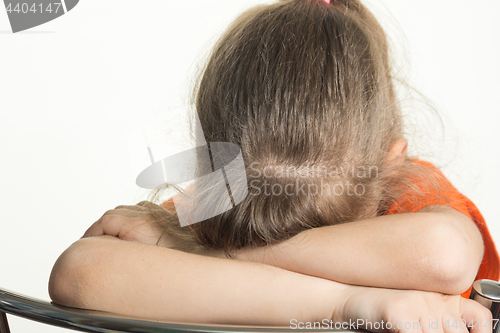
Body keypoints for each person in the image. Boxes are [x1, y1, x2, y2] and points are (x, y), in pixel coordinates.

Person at [49, 0, 499, 331]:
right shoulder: (211, 205)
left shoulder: (415, 195)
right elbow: (81, 272)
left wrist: (202, 251)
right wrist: (343, 302)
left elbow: (445, 254)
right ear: (389, 159)